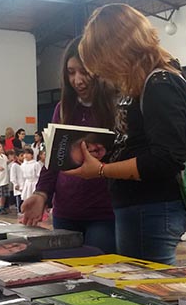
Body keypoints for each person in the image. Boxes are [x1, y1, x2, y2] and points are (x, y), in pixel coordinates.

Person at [62, 5, 186, 264]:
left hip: (152, 208)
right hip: (139, 208)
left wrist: (101, 171)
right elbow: (139, 144)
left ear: (118, 49)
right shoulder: (140, 84)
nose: (100, 72)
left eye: (100, 60)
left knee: (149, 293)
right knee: (141, 289)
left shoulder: (160, 84)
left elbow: (166, 159)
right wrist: (107, 152)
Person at [21, 37, 118, 252]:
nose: (78, 80)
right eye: (71, 72)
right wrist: (41, 194)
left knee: (99, 273)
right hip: (65, 212)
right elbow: (53, 160)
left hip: (104, 213)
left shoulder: (116, 107)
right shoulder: (63, 109)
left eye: (84, 72)